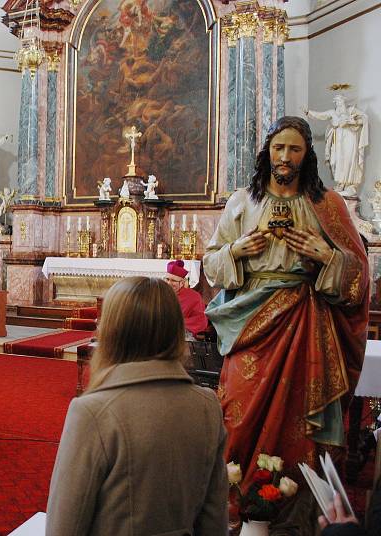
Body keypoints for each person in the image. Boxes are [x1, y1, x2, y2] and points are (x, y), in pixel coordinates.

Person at [203, 116, 369, 491]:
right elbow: (210, 264)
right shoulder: (243, 202)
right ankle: (237, 498)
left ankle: (295, 500)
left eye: (294, 149)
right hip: (251, 321)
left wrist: (327, 256)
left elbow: (358, 272)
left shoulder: (327, 204)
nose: (285, 156)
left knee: (300, 418)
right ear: (267, 151)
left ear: (306, 155)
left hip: (306, 322)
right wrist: (236, 250)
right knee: (238, 412)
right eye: (279, 148)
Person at [46, 277, 227, 535]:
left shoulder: (91, 412)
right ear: (175, 331)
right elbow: (214, 522)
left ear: (112, 332)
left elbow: (63, 528)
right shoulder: (207, 406)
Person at [305, 94, 368, 196]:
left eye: (341, 101)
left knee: (349, 160)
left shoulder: (351, 110)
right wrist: (308, 112)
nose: (340, 103)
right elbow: (321, 115)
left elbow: (364, 118)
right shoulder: (333, 113)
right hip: (338, 141)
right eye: (338, 102)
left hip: (350, 138)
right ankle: (340, 183)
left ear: (344, 102)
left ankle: (349, 185)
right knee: (337, 161)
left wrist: (352, 121)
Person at [165, 259, 209, 338]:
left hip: (182, 336)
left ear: (182, 282)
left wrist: (176, 324)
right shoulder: (161, 293)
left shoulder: (194, 297)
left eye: (173, 280)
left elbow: (201, 321)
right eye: (167, 279)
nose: (169, 283)